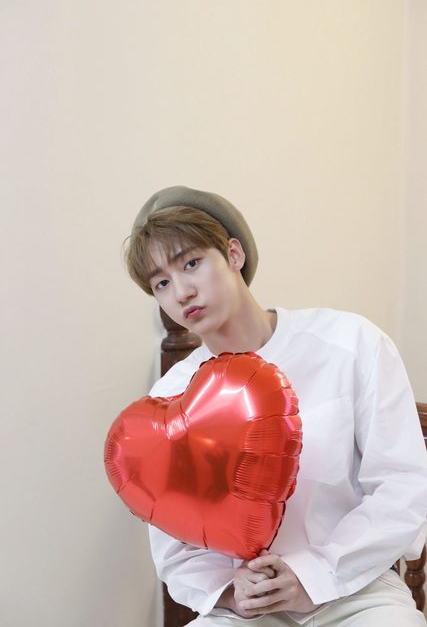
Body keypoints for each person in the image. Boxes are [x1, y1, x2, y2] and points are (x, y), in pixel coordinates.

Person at [126, 185, 427, 626]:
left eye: (191, 263)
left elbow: (401, 485)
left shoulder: (350, 343)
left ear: (233, 254)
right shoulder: (170, 399)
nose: (182, 292)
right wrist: (231, 593)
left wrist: (313, 575)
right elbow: (175, 548)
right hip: (249, 603)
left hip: (355, 588)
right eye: (162, 283)